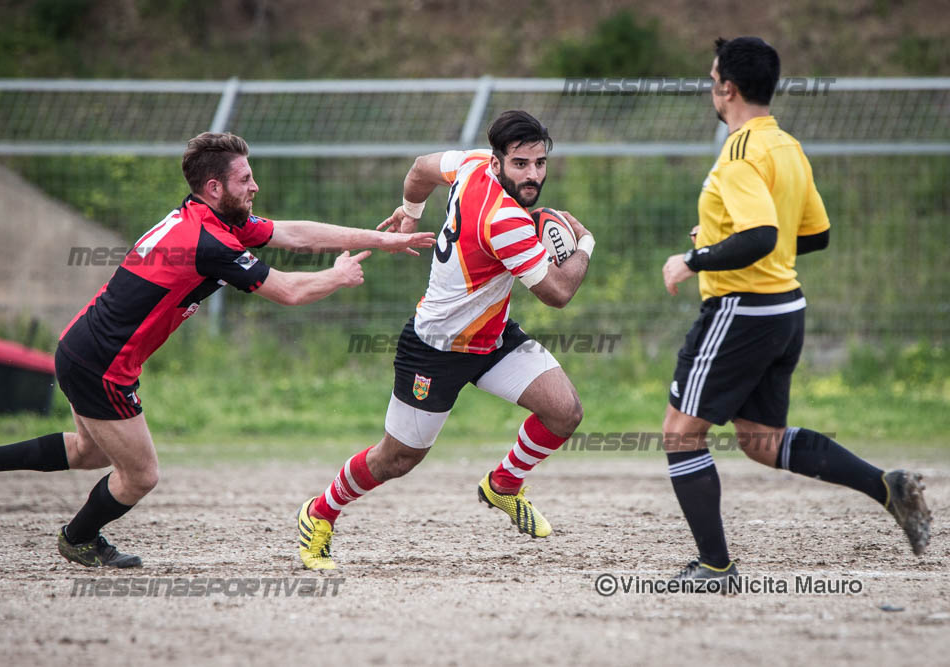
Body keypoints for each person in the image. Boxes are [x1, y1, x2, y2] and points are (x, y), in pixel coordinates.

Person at [0, 131, 435, 568]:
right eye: (245, 178)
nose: (255, 187)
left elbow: (294, 234)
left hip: (82, 347)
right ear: (214, 188)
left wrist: (383, 241)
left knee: (88, 451)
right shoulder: (209, 241)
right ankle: (78, 538)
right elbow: (287, 291)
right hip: (103, 365)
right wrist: (337, 277)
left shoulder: (204, 218)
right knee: (140, 475)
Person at [660, 37, 931, 582]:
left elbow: (761, 235)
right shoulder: (785, 145)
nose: (713, 88)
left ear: (728, 88)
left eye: (714, 79)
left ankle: (715, 566)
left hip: (742, 310)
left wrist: (695, 258)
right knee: (762, 440)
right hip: (785, 310)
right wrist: (718, 238)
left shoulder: (738, 152)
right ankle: (888, 486)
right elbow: (814, 234)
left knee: (679, 433)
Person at [297, 110, 595, 570]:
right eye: (520, 164)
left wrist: (410, 211)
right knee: (396, 459)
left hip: (492, 338)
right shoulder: (507, 222)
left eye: (539, 162)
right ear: (498, 163)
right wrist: (585, 245)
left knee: (564, 411)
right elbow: (558, 293)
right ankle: (320, 512)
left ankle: (504, 485)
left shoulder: (471, 163)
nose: (533, 174)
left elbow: (420, 168)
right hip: (435, 349)